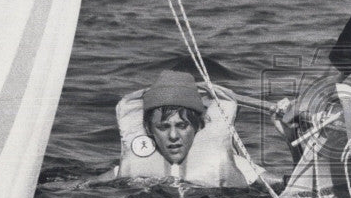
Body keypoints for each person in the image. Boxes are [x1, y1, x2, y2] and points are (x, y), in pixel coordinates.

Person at [96, 70, 272, 188]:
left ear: (197, 126)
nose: (173, 136)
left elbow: (294, 189)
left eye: (182, 126)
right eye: (163, 127)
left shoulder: (239, 166)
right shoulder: (125, 170)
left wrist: (291, 139)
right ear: (149, 130)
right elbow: (76, 189)